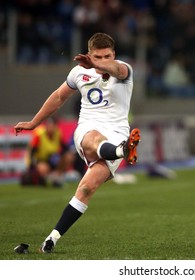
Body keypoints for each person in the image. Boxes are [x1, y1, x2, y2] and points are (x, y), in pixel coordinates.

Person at [14, 32, 141, 253]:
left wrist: (99, 64)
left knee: (86, 188)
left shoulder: (124, 70)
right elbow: (58, 97)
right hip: (87, 130)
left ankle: (51, 240)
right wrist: (34, 122)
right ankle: (122, 151)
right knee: (93, 137)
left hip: (118, 134)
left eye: (107, 56)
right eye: (98, 57)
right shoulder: (79, 73)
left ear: (115, 54)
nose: (103, 61)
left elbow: (115, 69)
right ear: (89, 54)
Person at [21, 116, 75, 187]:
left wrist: (61, 157)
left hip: (53, 159)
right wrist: (32, 166)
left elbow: (65, 148)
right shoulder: (39, 134)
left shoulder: (58, 133)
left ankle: (57, 177)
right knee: (43, 168)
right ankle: (44, 178)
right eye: (49, 126)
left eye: (52, 126)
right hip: (40, 160)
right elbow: (32, 152)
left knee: (69, 156)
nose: (51, 128)